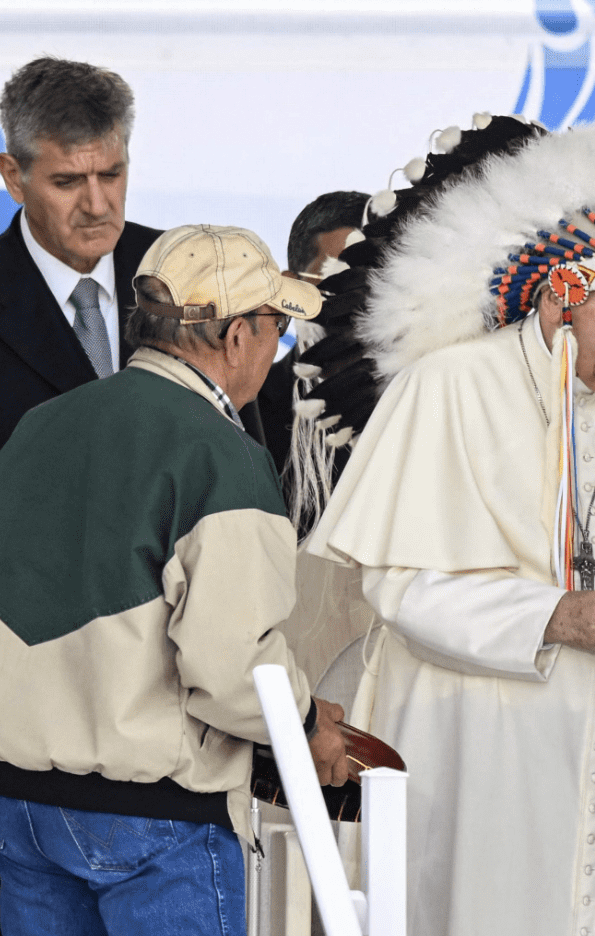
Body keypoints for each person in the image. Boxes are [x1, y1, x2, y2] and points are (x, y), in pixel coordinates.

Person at [297, 116, 595, 935]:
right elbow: (402, 587)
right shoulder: (449, 387)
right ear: (557, 295)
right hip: (479, 756)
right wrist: (554, 615)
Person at [0, 224, 347, 936]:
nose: (274, 348)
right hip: (151, 817)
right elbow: (230, 668)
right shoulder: (221, 455)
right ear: (238, 336)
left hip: (18, 810)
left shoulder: (40, 424)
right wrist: (306, 721)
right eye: (275, 326)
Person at [0, 56, 161, 449]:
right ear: (13, 178)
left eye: (110, 175)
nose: (96, 205)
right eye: (67, 181)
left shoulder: (184, 269)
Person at [257, 190, 369, 485]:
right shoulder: (250, 411)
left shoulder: (424, 397)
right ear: (293, 290)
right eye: (339, 278)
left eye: (373, 276)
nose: (359, 297)